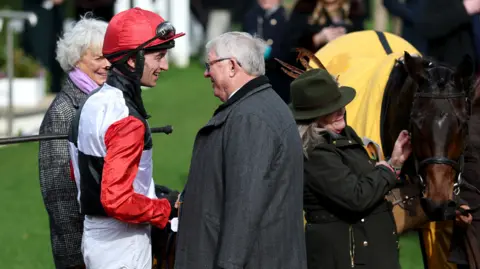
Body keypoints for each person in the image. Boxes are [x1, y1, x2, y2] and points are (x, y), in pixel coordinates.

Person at [174, 31, 307, 269]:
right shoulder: (259, 106)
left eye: (210, 65)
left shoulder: (250, 118)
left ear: (233, 66)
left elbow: (244, 205)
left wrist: (228, 265)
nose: (206, 73)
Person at [67, 7, 185, 269]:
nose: (164, 66)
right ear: (133, 60)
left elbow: (87, 176)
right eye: (159, 56)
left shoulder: (92, 101)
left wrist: (150, 191)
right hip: (124, 245)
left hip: (96, 238)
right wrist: (165, 208)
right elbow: (117, 200)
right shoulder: (126, 120)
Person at [290, 68, 412, 269]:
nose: (341, 110)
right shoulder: (314, 153)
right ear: (313, 116)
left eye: (340, 104)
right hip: (346, 257)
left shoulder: (345, 134)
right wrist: (387, 171)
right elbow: (356, 197)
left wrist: (395, 162)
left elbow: (365, 181)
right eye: (332, 108)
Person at [38, 15, 109, 269]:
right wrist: (76, 258)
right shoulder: (63, 112)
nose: (108, 64)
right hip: (82, 250)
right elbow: (58, 193)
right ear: (76, 60)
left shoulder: (103, 100)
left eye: (109, 56)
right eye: (99, 58)